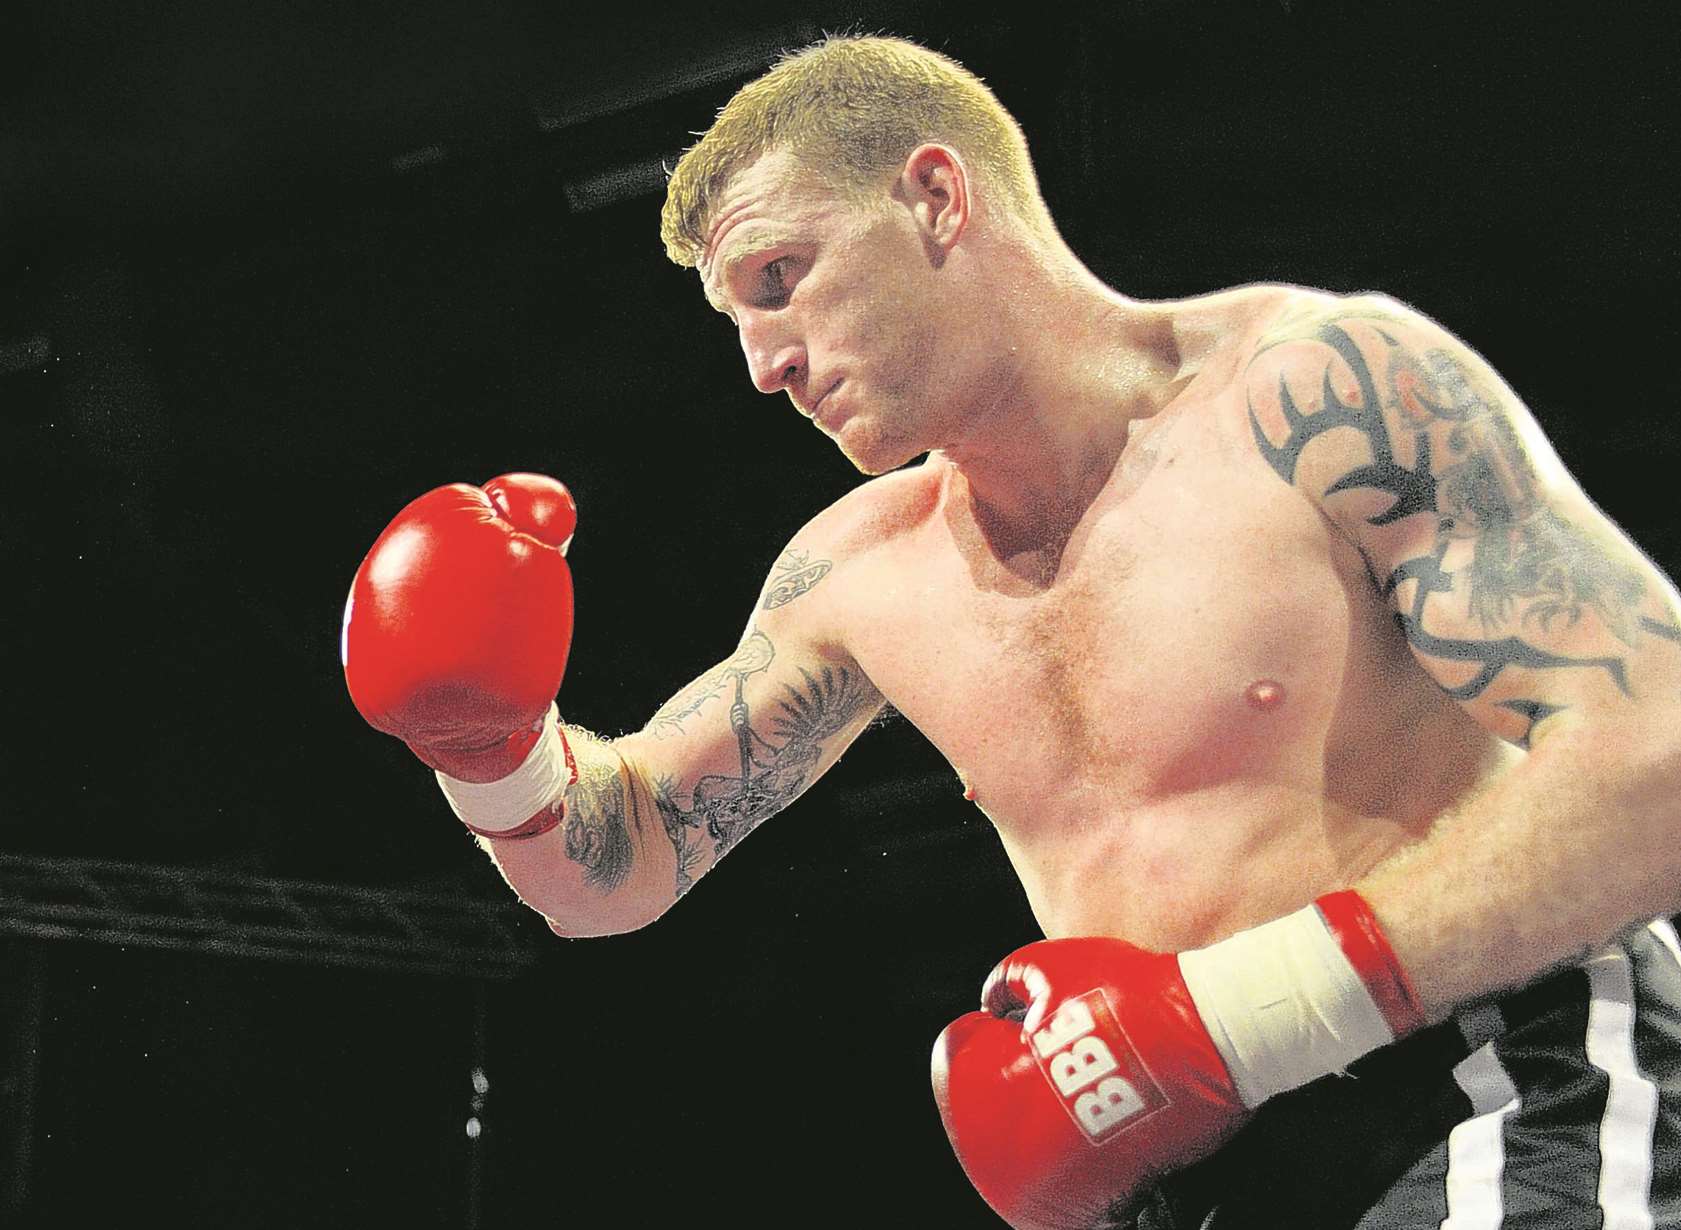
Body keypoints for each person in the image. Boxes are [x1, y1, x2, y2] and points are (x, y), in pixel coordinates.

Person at [342, 34, 1681, 1229]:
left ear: (933, 195)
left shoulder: (1313, 395)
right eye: (735, 320)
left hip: (1490, 1071)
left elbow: (1655, 755)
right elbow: (614, 861)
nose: (764, 361)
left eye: (779, 277)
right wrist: (488, 745)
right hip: (1173, 1170)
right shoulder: (857, 573)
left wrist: (1236, 1017)